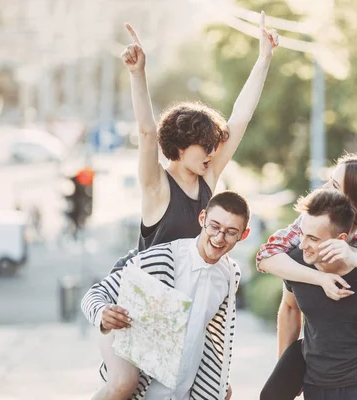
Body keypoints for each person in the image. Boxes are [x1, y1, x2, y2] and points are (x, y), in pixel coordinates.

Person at [85, 12, 278, 399]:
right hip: (134, 299)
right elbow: (144, 132)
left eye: (213, 147)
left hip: (182, 312)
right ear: (180, 145)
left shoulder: (208, 180)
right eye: (204, 146)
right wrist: (138, 75)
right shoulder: (156, 186)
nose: (211, 153)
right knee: (123, 383)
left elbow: (239, 119)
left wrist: (264, 59)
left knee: (206, 391)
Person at [257, 155, 357, 400]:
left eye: (334, 185)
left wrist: (355, 258)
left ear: (355, 198)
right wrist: (319, 279)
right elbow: (266, 255)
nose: (324, 188)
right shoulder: (313, 221)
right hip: (327, 336)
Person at [81, 191, 251, 400]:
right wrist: (102, 313)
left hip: (181, 390)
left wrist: (215, 383)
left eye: (230, 232)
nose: (219, 238)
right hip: (142, 387)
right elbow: (96, 294)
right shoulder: (162, 258)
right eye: (214, 226)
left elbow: (214, 335)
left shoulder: (229, 275)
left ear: (243, 235)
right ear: (202, 219)